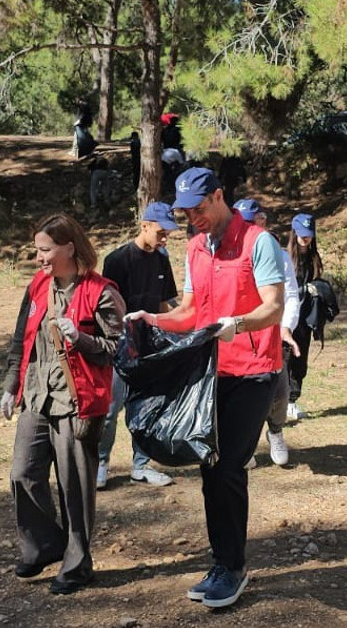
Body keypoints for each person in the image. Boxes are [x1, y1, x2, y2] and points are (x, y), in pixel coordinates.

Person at [123, 167, 284, 609]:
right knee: (209, 464)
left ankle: (232, 567)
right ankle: (223, 562)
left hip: (253, 370)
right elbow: (191, 311)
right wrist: (152, 319)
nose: (193, 218)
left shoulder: (258, 242)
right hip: (211, 373)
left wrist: (239, 323)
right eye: (185, 212)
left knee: (227, 465)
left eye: (199, 208)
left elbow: (273, 309)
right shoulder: (196, 247)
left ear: (218, 196)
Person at [0, 213, 124, 595]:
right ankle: (44, 546)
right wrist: (10, 385)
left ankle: (77, 564)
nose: (39, 257)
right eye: (37, 249)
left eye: (45, 250)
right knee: (23, 473)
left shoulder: (101, 292)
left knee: (74, 487)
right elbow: (21, 337)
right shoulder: (38, 286)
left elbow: (118, 350)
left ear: (69, 248)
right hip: (36, 397)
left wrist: (81, 339)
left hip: (76, 402)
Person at [97, 202, 181, 489]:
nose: (164, 238)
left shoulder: (161, 259)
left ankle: (141, 465)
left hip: (149, 344)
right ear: (144, 225)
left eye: (168, 233)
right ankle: (100, 463)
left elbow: (164, 302)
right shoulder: (118, 260)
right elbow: (105, 306)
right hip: (120, 344)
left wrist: (177, 329)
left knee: (145, 408)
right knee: (111, 408)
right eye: (160, 232)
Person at [232, 198, 297, 468]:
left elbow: (291, 294)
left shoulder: (277, 254)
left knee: (279, 393)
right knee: (242, 396)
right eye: (243, 222)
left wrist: (286, 327)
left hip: (272, 335)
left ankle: (276, 431)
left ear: (262, 220)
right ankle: (245, 444)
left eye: (252, 221)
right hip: (240, 335)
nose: (248, 227)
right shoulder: (229, 254)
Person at [285, 212, 324, 421]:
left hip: (307, 316)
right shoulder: (286, 256)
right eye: (301, 234)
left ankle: (292, 399)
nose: (305, 238)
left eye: (308, 234)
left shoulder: (313, 257)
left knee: (300, 359)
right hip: (287, 316)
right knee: (285, 358)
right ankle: (281, 400)